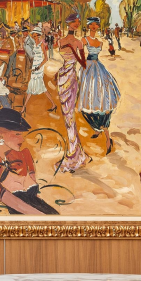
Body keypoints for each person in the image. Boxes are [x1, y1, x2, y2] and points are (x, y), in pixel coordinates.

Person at [0, 107, 57, 215]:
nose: (22, 139)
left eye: (21, 134)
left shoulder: (25, 155)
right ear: (1, 134)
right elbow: (17, 205)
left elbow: (35, 197)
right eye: (17, 134)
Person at [55, 14, 89, 171]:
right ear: (68, 24)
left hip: (71, 78)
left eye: (78, 23)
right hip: (62, 78)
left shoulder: (78, 42)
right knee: (66, 115)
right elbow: (61, 60)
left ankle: (74, 153)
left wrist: (73, 52)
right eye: (74, 22)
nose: (76, 25)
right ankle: (75, 151)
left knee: (70, 116)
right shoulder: (60, 41)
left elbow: (83, 64)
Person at [79, 16, 121, 132]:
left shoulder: (100, 42)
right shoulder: (84, 40)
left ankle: (101, 123)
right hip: (87, 66)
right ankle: (95, 124)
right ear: (88, 26)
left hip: (97, 65)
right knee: (89, 90)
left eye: (96, 24)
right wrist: (83, 64)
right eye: (91, 24)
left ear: (98, 26)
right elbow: (81, 55)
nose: (94, 26)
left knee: (101, 90)